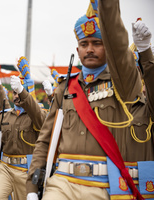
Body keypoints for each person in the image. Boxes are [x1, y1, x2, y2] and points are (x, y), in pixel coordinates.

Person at [26, 0, 154, 200]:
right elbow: (46, 139)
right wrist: (32, 188)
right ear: (77, 51)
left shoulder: (122, 84)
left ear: (108, 48)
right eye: (84, 44)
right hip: (62, 184)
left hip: (103, 187)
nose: (90, 49)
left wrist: (107, 6)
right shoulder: (65, 87)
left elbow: (120, 50)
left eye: (97, 43)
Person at [0, 56, 47, 200]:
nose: (17, 95)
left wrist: (24, 90)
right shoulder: (4, 116)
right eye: (15, 92)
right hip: (5, 167)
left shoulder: (38, 114)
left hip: (27, 170)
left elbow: (39, 119)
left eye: (20, 91)